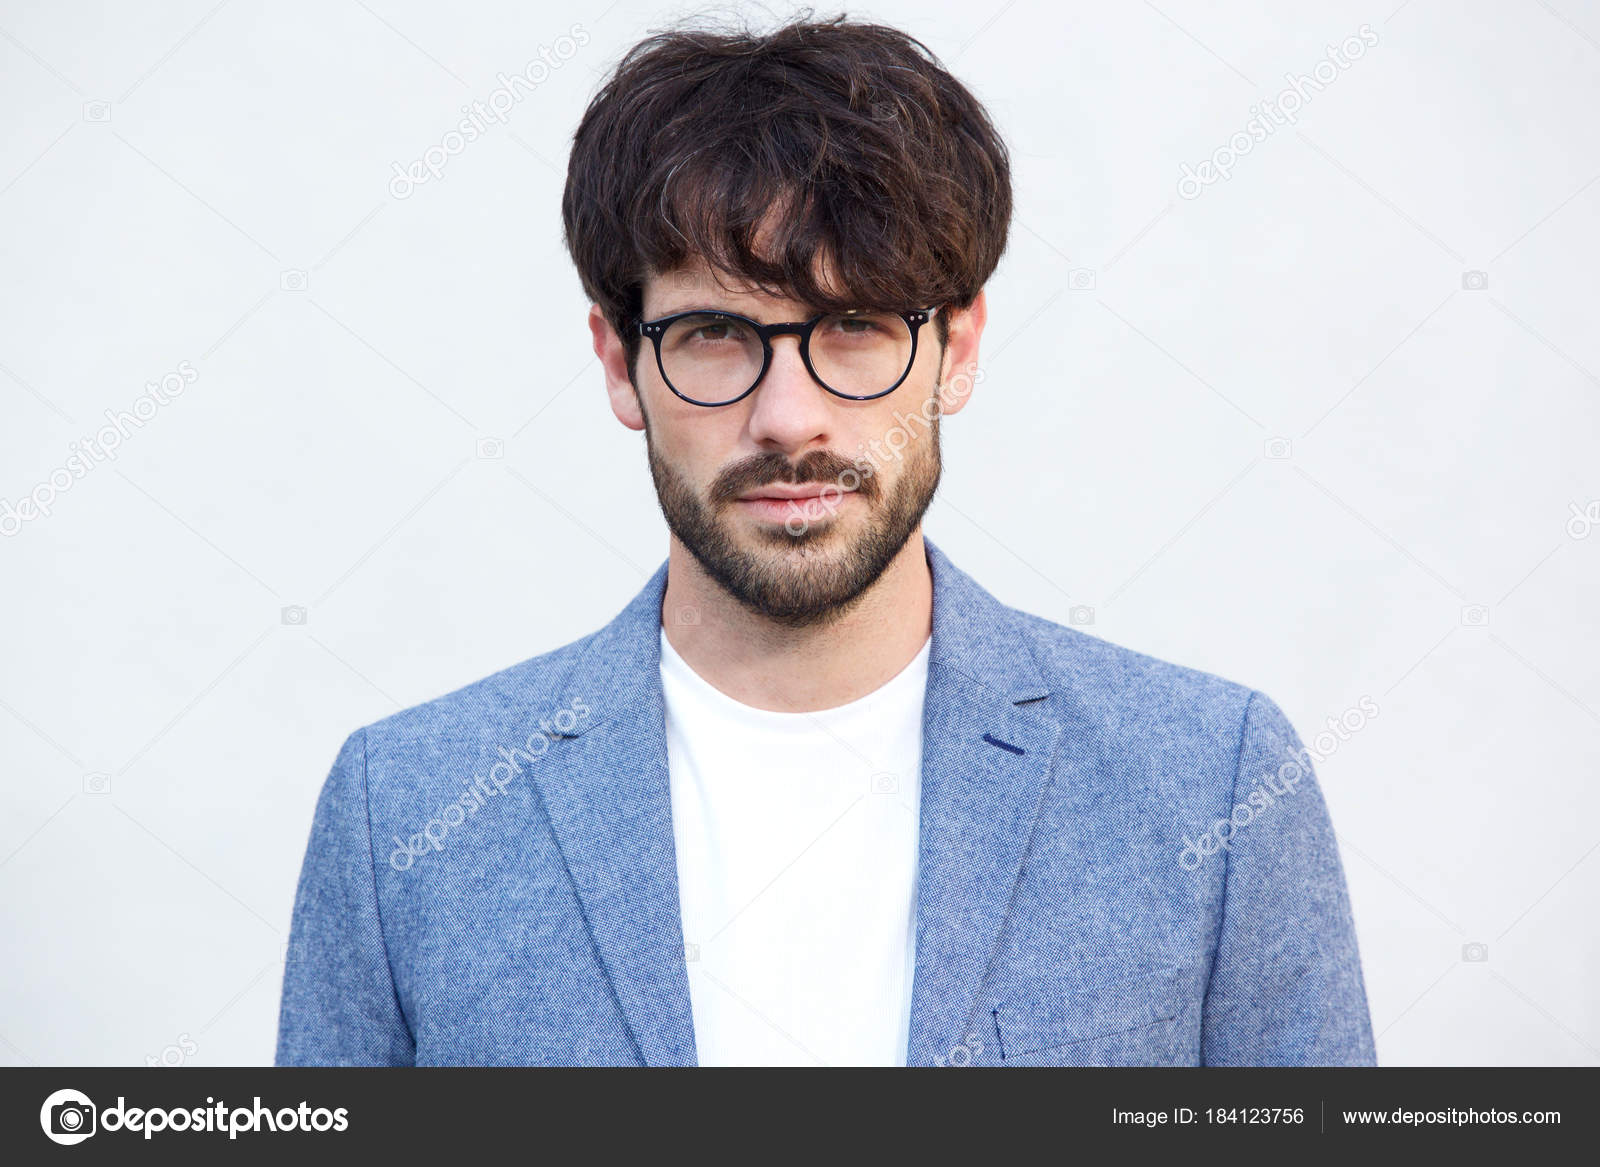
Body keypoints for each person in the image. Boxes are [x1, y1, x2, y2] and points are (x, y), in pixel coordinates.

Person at [276, 14, 1375, 1067]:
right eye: (713, 334)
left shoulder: (1211, 779)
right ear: (620, 363)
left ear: (956, 350)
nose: (789, 418)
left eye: (854, 327)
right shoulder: (406, 812)